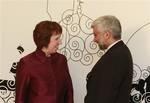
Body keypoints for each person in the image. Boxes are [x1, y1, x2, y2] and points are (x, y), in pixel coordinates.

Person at [15, 21, 74, 103]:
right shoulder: (26, 63)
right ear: (45, 39)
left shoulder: (61, 60)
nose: (60, 42)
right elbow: (20, 99)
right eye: (56, 39)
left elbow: (68, 92)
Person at [84, 15, 133, 103]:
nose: (94, 40)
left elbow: (105, 95)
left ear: (107, 35)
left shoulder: (116, 56)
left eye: (96, 35)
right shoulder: (119, 52)